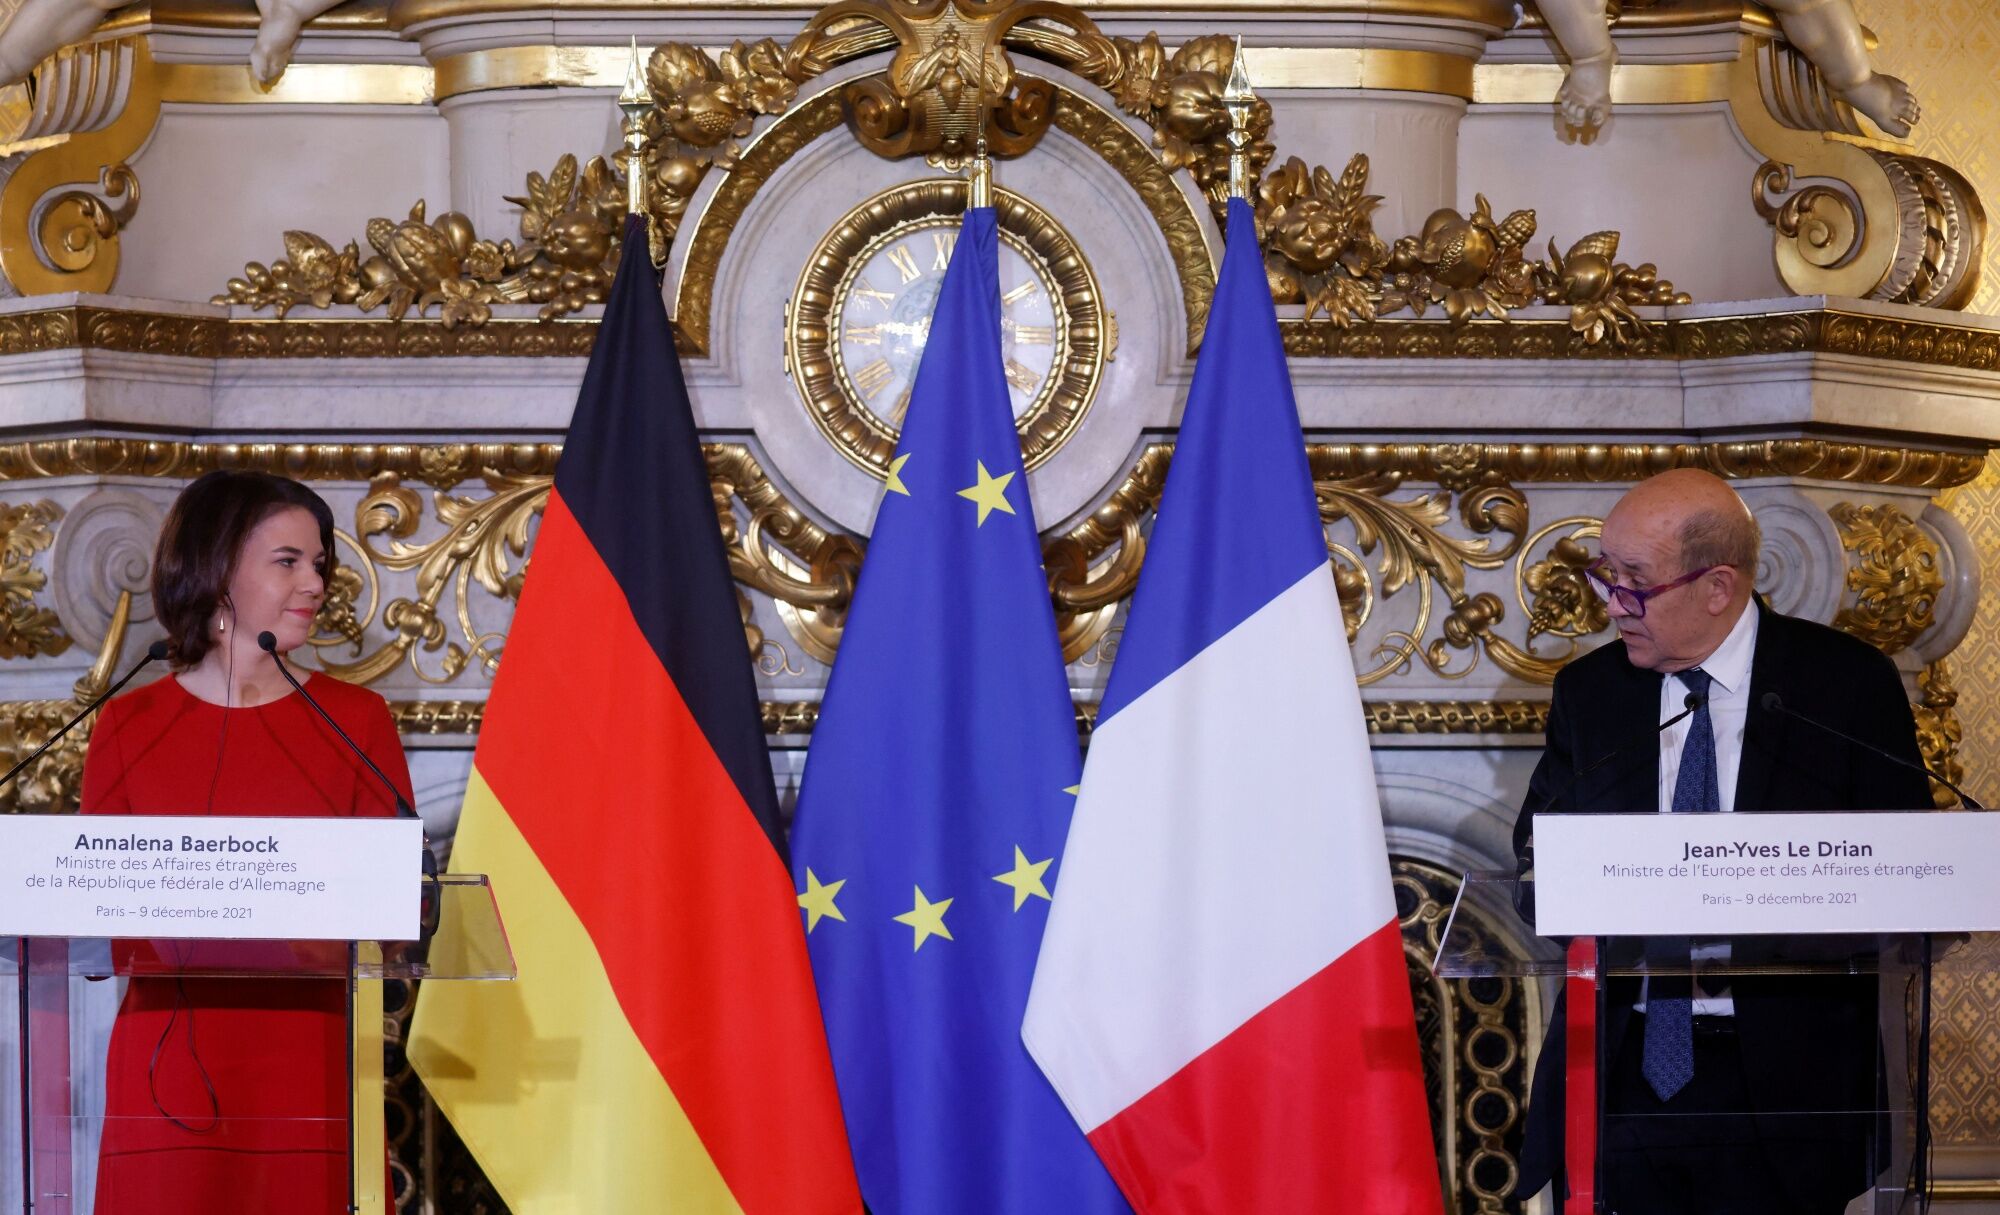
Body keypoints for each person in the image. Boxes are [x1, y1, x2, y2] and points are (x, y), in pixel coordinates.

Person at [1511, 469, 1933, 1215]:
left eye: (1635, 581)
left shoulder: (1844, 687)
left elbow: (1909, 884)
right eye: (1607, 574)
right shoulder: (1593, 694)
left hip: (1788, 1090)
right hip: (1626, 1078)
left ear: (1717, 586)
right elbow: (1534, 865)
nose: (1613, 603)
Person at [79, 470, 413, 1215]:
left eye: (319, 563)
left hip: (309, 1072)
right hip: (165, 1080)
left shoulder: (356, 722)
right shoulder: (127, 726)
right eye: (288, 561)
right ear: (217, 566)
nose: (315, 583)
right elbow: (108, 921)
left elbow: (394, 917)